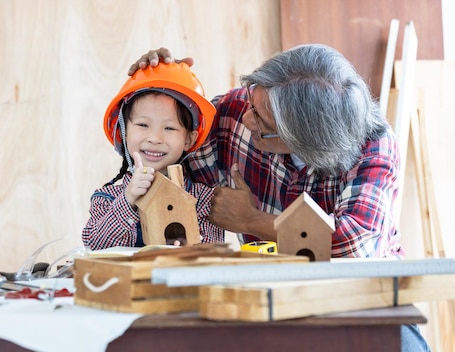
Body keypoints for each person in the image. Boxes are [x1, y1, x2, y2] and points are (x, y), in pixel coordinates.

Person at [128, 45, 430, 352]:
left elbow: (354, 248)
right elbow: (162, 149)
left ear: (307, 142)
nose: (246, 118)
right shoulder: (237, 111)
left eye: (263, 123)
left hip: (361, 298)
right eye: (253, 100)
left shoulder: (373, 144)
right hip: (269, 294)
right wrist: (156, 87)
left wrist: (251, 221)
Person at [82, 62, 225, 250]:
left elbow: (212, 255)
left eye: (169, 128)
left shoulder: (204, 200)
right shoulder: (107, 198)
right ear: (123, 131)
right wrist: (129, 199)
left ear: (189, 139)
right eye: (143, 125)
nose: (155, 138)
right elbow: (95, 246)